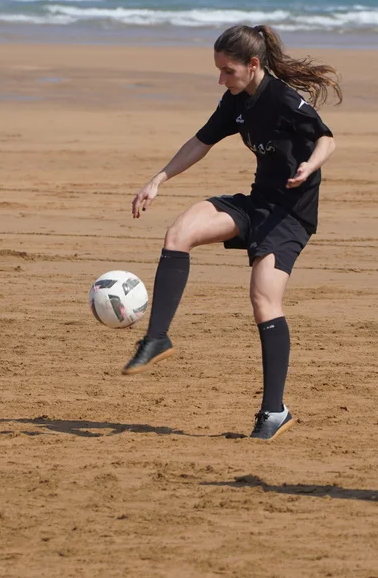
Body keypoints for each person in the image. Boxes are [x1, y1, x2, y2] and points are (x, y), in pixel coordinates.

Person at [125, 24, 339, 441]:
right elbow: (201, 141)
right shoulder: (237, 100)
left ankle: (274, 411)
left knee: (263, 299)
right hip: (257, 203)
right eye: (219, 70)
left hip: (289, 216)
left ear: (253, 65)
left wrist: (309, 167)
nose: (221, 79)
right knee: (180, 232)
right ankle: (157, 338)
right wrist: (158, 179)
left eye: (228, 71)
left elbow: (326, 140)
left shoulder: (282, 98)